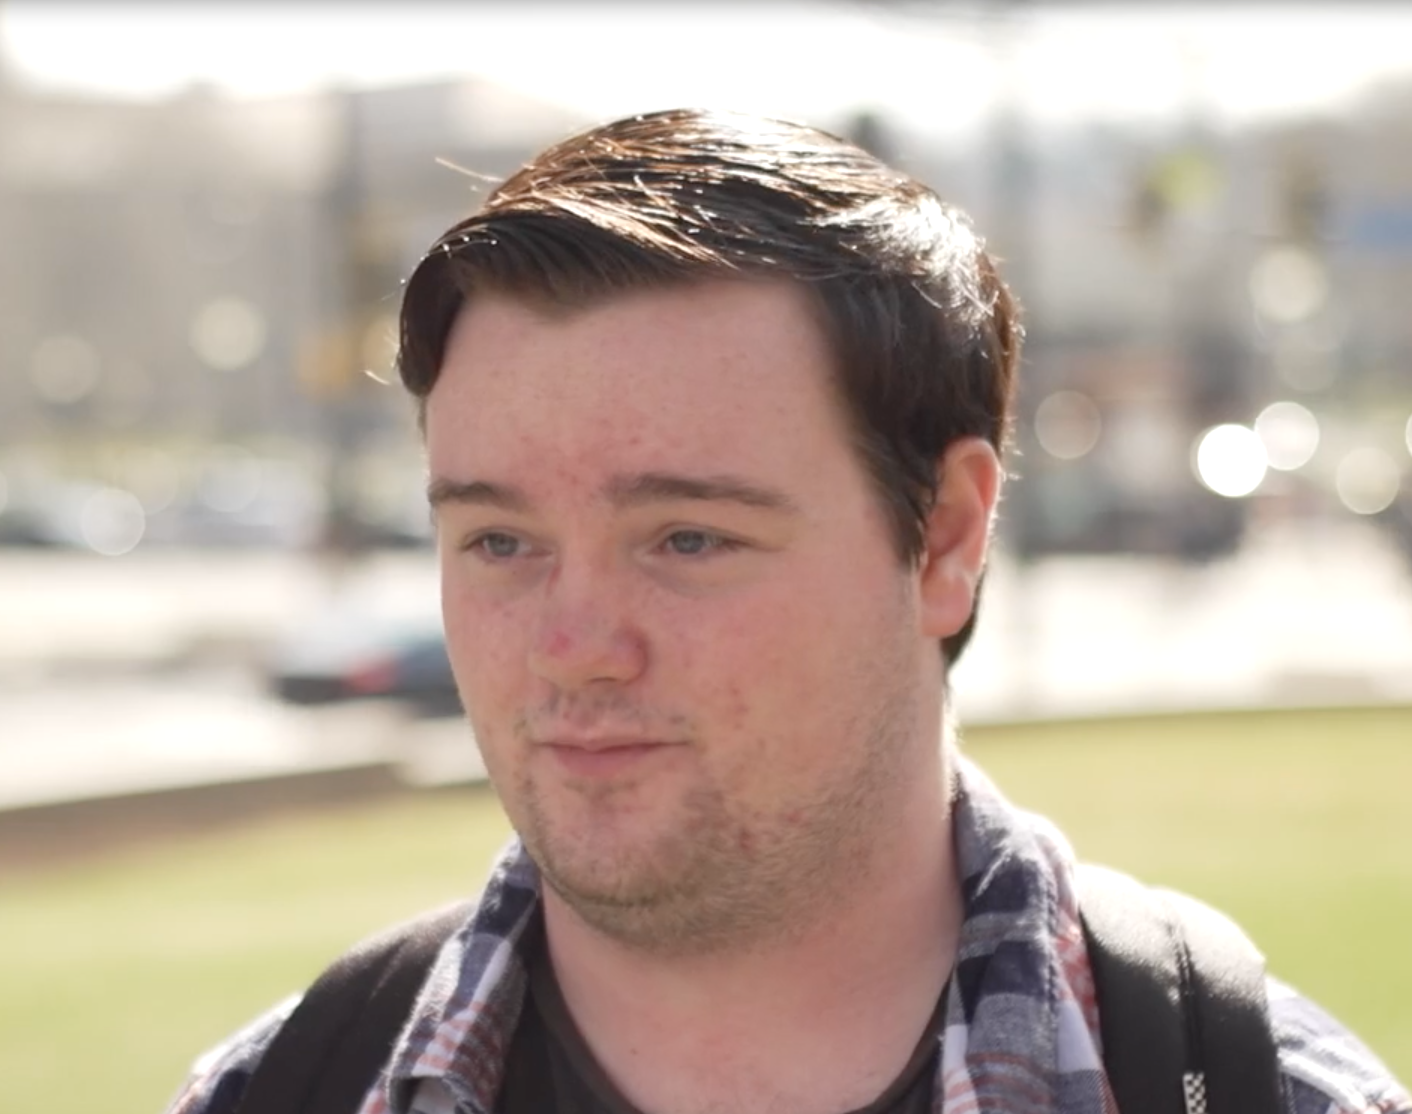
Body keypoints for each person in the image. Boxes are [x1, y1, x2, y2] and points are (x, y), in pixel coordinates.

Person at [165, 108, 1410, 1114]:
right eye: (499, 540)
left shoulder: (1263, 1093)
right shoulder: (276, 1089)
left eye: (687, 537)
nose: (573, 646)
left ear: (945, 536)